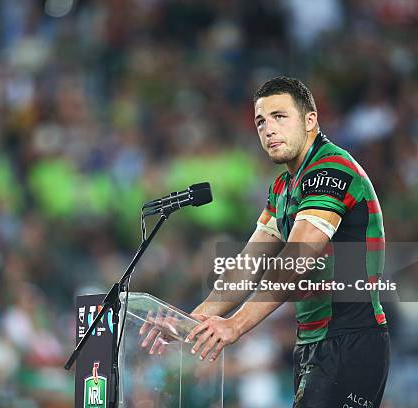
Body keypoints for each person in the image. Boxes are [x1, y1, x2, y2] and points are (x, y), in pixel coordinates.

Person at [144, 76, 390, 407]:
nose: (268, 129)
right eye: (261, 121)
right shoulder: (283, 186)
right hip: (312, 343)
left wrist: (235, 325)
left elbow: (295, 261)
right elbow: (247, 265)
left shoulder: (331, 169)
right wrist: (191, 321)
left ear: (310, 120)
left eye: (279, 116)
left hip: (350, 340)